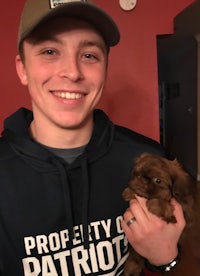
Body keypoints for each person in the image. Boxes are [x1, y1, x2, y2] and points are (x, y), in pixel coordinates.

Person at [0, 0, 185, 275]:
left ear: (105, 69)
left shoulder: (149, 162)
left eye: (89, 55)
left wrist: (166, 259)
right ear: (22, 69)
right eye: (50, 51)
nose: (73, 72)